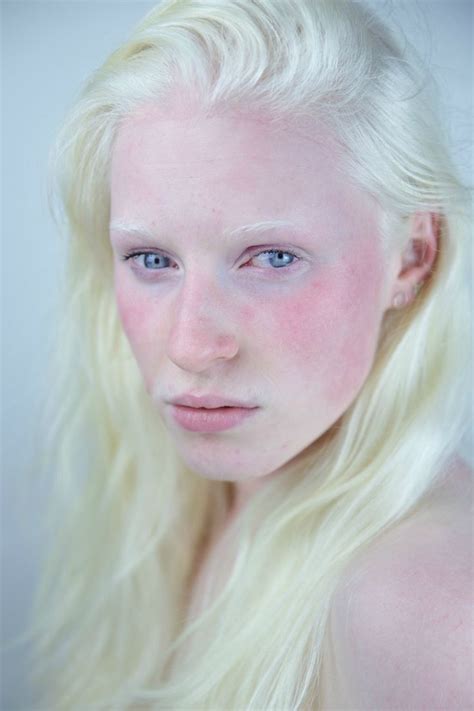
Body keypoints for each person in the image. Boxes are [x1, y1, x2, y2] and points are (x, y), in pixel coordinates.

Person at [29, 0, 472, 708]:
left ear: (412, 258)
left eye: (271, 256)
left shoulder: (416, 599)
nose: (191, 346)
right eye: (151, 257)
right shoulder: (187, 507)